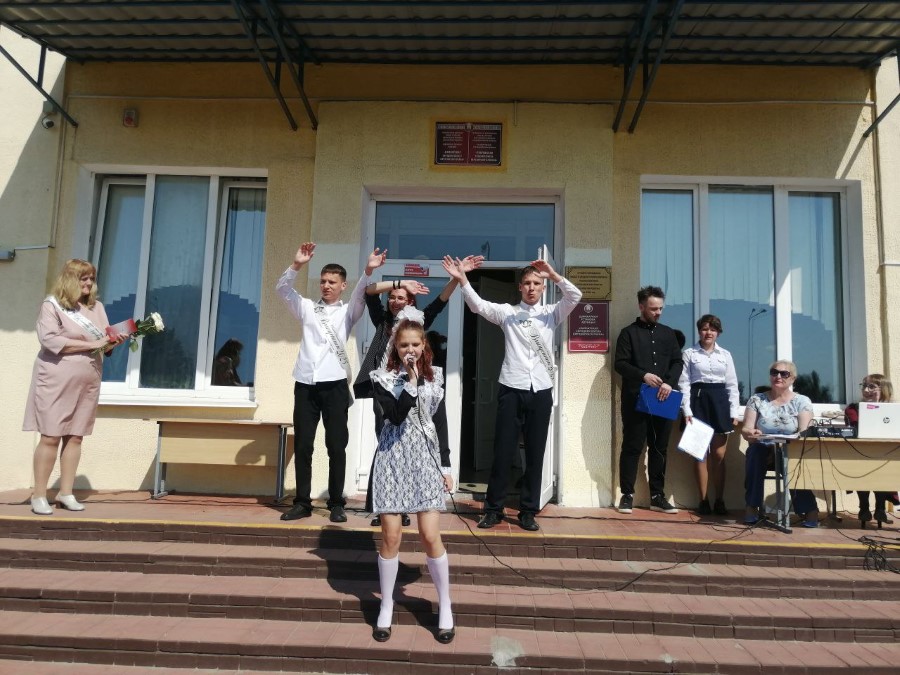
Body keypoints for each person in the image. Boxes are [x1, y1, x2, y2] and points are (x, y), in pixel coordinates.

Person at [442, 254, 581, 531]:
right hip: (511, 388)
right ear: (520, 287)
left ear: (543, 288)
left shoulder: (551, 313)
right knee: (503, 452)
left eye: (536, 284)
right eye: (527, 283)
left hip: (540, 390)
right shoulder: (508, 313)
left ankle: (528, 511)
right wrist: (462, 279)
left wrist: (553, 275)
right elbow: (478, 306)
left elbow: (575, 296)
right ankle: (493, 509)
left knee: (535, 454)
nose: (531, 288)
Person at [354, 258, 483, 527]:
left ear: (411, 301)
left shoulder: (418, 322)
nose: (395, 301)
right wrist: (398, 282)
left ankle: (408, 501)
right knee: (386, 443)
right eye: (392, 297)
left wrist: (456, 278)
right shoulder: (383, 321)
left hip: (414, 385)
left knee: (416, 443)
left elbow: (441, 302)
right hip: (386, 388)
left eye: (401, 297)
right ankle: (386, 505)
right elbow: (368, 292)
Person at [276, 242, 386, 523]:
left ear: (342, 286)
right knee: (303, 446)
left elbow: (362, 294)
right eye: (323, 281)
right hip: (305, 384)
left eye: (332, 282)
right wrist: (296, 265)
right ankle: (302, 502)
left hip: (335, 386)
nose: (326, 285)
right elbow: (282, 290)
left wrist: (368, 270)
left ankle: (337, 503)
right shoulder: (306, 308)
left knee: (336, 446)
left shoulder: (348, 312)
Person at [370, 317, 455, 644]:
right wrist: (410, 381)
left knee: (430, 535)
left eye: (415, 345)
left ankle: (445, 604)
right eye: (404, 344)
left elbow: (440, 422)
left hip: (426, 460)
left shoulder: (436, 378)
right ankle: (386, 605)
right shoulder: (382, 378)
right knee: (391, 536)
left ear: (424, 346)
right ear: (396, 347)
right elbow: (394, 416)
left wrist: (446, 466)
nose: (410, 350)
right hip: (392, 459)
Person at [23, 259, 125, 515]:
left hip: (88, 378)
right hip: (56, 378)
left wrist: (114, 341)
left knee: (76, 435)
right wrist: (93, 344)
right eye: (83, 278)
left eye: (91, 278)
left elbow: (102, 343)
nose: (89, 283)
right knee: (51, 435)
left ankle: (66, 492)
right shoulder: (52, 306)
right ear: (70, 279)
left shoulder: (97, 307)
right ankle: (39, 495)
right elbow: (50, 340)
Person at [614, 286, 683, 515]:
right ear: (641, 307)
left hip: (664, 398)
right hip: (636, 399)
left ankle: (657, 496)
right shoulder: (628, 333)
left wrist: (669, 383)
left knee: (659, 449)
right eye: (653, 309)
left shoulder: (668, 334)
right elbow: (620, 364)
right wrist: (643, 375)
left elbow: (677, 362)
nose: (658, 312)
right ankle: (627, 494)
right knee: (632, 447)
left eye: (660, 308)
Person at [678, 314, 740, 516]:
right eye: (705, 329)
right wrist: (686, 410)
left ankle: (720, 500)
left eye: (712, 329)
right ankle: (703, 500)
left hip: (720, 403)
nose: (708, 333)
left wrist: (734, 411)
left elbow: (732, 385)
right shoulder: (689, 354)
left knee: (719, 455)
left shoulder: (726, 355)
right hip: (698, 402)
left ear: (718, 333)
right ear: (699, 331)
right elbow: (684, 384)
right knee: (700, 454)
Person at [741, 361, 816, 527]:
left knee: (793, 458)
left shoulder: (802, 401)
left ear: (793, 378)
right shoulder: (757, 399)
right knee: (755, 452)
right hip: (764, 449)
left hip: (789, 449)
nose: (778, 376)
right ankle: (752, 506)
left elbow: (804, 432)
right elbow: (746, 429)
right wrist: (750, 433)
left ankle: (809, 510)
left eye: (784, 373)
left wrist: (786, 444)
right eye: (774, 373)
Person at [844, 374, 897, 527]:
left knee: (885, 470)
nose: (866, 390)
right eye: (864, 386)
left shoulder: (894, 409)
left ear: (884, 389)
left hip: (887, 453)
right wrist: (872, 407)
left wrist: (881, 407)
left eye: (872, 387)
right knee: (863, 468)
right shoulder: (853, 408)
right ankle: (864, 507)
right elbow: (857, 426)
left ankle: (880, 509)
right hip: (860, 453)